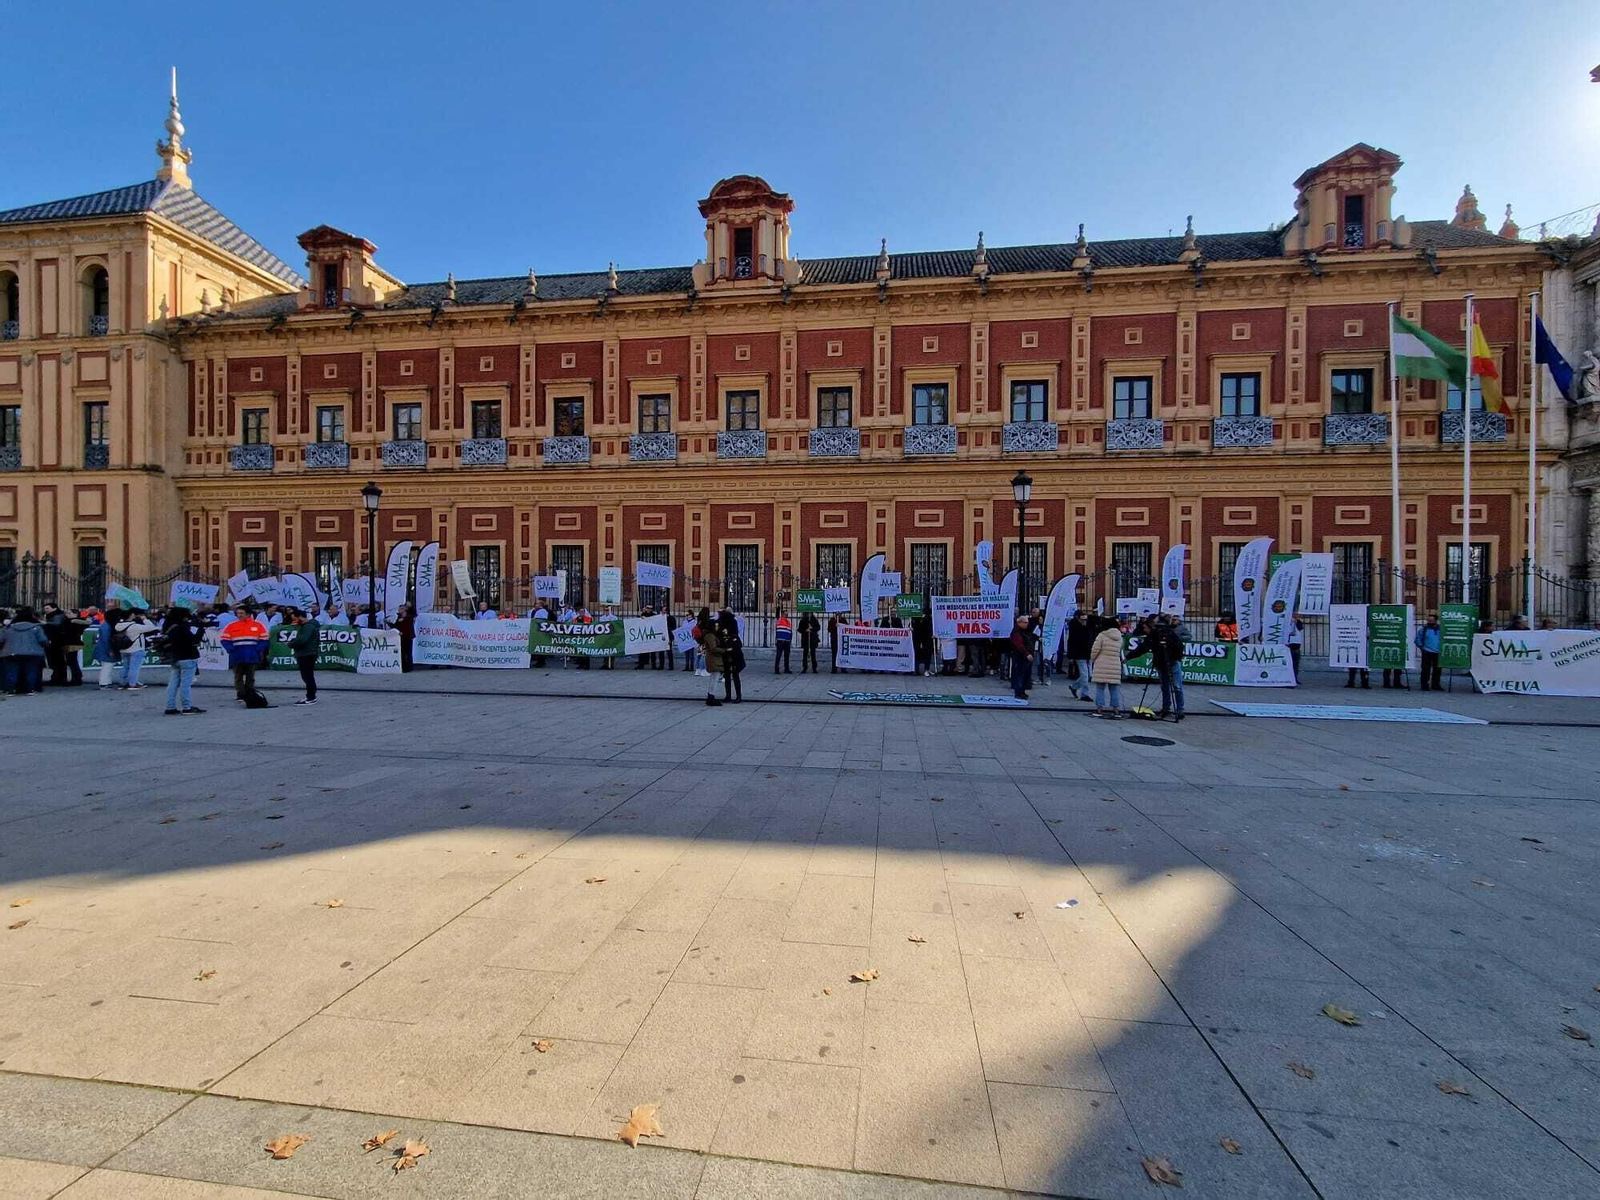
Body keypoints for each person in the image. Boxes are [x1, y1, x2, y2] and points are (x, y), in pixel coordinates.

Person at [1127, 613, 1186, 721]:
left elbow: (1179, 646)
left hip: (1171, 662)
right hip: (1161, 663)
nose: (1144, 631)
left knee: (1177, 687)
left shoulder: (1168, 633)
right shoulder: (1152, 636)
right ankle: (1166, 708)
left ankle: (1179, 710)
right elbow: (1142, 648)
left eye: (1145, 628)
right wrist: (1129, 657)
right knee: (1165, 687)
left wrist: (1176, 658)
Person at [160, 606, 207, 715]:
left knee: (173, 683)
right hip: (188, 657)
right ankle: (187, 706)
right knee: (185, 684)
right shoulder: (182, 628)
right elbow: (194, 641)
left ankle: (170, 706)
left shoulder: (170, 626)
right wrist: (202, 628)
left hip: (175, 657)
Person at [220, 604, 269, 702]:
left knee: (250, 676)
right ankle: (241, 694)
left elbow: (265, 640)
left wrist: (258, 650)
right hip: (237, 655)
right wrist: (230, 649)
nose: (239, 615)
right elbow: (224, 640)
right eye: (238, 613)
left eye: (242, 613)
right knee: (238, 676)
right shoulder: (231, 626)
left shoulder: (258, 625)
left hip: (252, 655)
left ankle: (249, 693)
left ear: (248, 614)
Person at [0, 607, 48, 696]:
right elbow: (43, 640)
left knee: (11, 671)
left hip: (11, 652)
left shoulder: (9, 628)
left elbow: (1, 639)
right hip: (33, 653)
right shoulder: (36, 628)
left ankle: (10, 690)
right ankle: (30, 689)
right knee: (31, 671)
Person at [1089, 615, 1129, 718]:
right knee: (1114, 688)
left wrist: (1093, 660)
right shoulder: (1119, 636)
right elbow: (1120, 650)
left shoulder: (1102, 635)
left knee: (1100, 688)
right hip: (1115, 664)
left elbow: (1095, 649)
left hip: (1101, 663)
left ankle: (1099, 710)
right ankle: (1116, 710)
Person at [114, 608, 158, 690]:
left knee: (125, 667)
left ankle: (122, 683)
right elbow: (152, 627)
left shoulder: (118, 626)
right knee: (134, 667)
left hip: (123, 648)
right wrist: (145, 619)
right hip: (136, 648)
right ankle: (133, 684)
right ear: (131, 616)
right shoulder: (135, 626)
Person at [289, 607, 322, 704]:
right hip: (307, 653)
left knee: (307, 676)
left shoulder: (308, 627)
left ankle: (311, 696)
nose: (294, 621)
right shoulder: (308, 626)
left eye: (295, 619)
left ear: (300, 617)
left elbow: (302, 640)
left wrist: (291, 644)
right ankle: (311, 694)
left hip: (307, 654)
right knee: (307, 676)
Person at [1065, 610, 1097, 703]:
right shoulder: (1075, 628)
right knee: (1084, 676)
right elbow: (1071, 642)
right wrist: (1071, 656)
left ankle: (1074, 687)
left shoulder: (1089, 626)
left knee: (1089, 675)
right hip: (1079, 654)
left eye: (1085, 619)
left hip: (1088, 653)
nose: (1084, 621)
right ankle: (1084, 694)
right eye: (1082, 619)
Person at [718, 609, 745, 703]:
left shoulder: (727, 624)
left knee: (731, 675)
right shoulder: (730, 623)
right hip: (729, 652)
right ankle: (734, 696)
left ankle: (732, 696)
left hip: (732, 653)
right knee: (732, 675)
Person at [700, 609, 725, 705]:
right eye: (716, 626)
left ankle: (711, 695)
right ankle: (711, 695)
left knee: (714, 677)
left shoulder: (710, 634)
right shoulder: (710, 635)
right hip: (713, 658)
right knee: (715, 677)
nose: (717, 627)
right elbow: (713, 648)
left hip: (714, 658)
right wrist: (724, 650)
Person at [1007, 614, 1034, 700]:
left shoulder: (1024, 631)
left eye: (1027, 622)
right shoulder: (1016, 632)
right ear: (1019, 623)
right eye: (1025, 622)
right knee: (1020, 674)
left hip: (1024, 656)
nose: (1027, 624)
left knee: (1024, 674)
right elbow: (1019, 645)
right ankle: (1018, 692)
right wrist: (1027, 654)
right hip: (1020, 656)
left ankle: (1022, 691)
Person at [1415, 612, 1442, 691]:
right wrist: (1422, 647)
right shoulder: (1423, 629)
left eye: (1431, 621)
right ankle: (1424, 685)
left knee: (1437, 670)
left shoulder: (1441, 630)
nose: (1429, 622)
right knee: (1425, 669)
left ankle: (1435, 684)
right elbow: (1417, 639)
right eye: (1428, 621)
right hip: (1426, 651)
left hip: (1438, 652)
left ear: (1436, 621)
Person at [690, 606, 712, 677]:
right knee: (703, 655)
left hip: (698, 639)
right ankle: (703, 670)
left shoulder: (699, 620)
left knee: (699, 654)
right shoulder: (706, 620)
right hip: (704, 639)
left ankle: (698, 670)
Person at [393, 603, 415, 673]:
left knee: (408, 652)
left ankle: (409, 667)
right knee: (402, 652)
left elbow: (408, 627)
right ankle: (403, 666)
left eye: (401, 609)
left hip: (407, 636)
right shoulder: (398, 617)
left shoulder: (409, 617)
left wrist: (403, 632)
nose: (399, 610)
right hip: (400, 636)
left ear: (404, 610)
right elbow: (396, 625)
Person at [912, 612, 934, 677]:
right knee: (917, 654)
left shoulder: (929, 618)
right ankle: (916, 670)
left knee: (928, 654)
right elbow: (913, 626)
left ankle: (926, 669)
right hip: (918, 639)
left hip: (927, 639)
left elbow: (930, 627)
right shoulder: (915, 617)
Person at [773, 609, 793, 673]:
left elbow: (790, 631)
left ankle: (786, 668)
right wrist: (779, 604)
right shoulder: (779, 620)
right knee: (778, 655)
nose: (787, 615)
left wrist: (790, 639)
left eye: (787, 614)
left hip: (787, 641)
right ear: (782, 614)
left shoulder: (788, 622)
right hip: (780, 640)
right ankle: (776, 668)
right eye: (785, 614)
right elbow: (777, 615)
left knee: (787, 656)